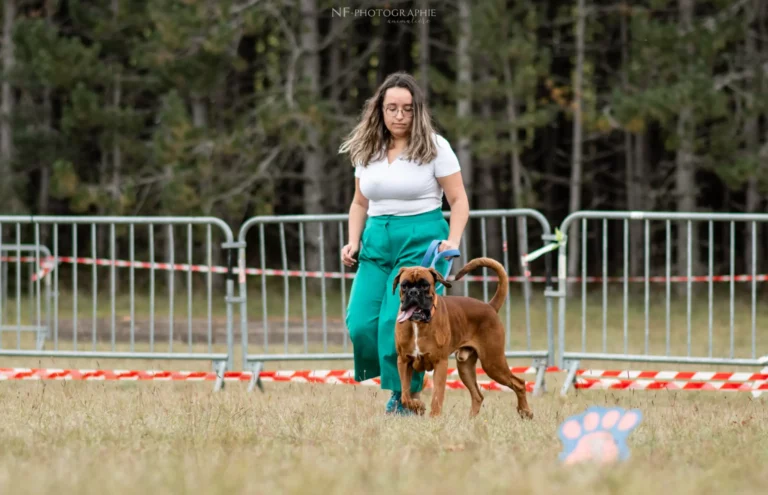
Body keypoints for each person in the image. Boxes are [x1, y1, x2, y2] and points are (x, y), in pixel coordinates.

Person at [338, 71, 470, 415]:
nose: (399, 115)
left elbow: (458, 201)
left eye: (407, 109)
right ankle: (403, 379)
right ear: (379, 110)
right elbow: (359, 203)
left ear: (418, 111)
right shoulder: (366, 149)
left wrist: (451, 241)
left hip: (420, 239)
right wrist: (352, 241)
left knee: (392, 320)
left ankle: (403, 398)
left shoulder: (435, 148)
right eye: (392, 108)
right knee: (361, 323)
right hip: (376, 241)